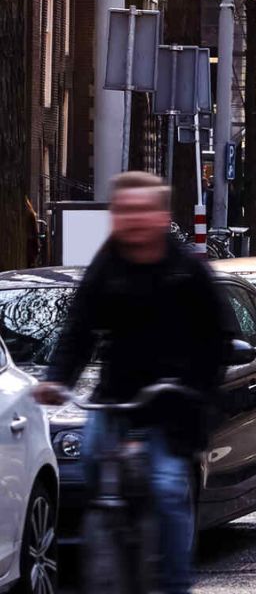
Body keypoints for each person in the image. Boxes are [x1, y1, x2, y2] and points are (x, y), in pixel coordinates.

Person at [32, 171, 235, 594]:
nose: (133, 220)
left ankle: (175, 581)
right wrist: (57, 380)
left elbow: (216, 339)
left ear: (161, 216)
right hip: (117, 397)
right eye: (124, 211)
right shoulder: (108, 265)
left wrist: (196, 390)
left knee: (165, 487)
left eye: (142, 211)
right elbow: (79, 330)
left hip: (173, 402)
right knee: (89, 459)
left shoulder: (187, 273)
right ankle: (104, 550)